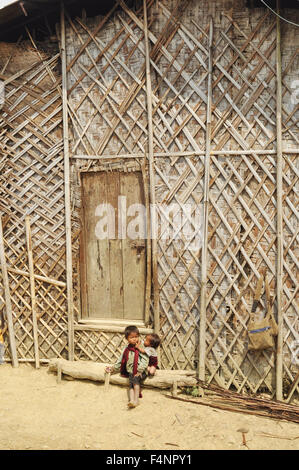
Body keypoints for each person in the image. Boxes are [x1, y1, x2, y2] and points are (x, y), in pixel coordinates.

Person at [105, 325, 149, 408]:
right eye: (132, 337)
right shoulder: (126, 348)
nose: (134, 339)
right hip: (131, 370)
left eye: (136, 336)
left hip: (141, 370)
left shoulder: (141, 347)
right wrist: (113, 368)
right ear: (127, 339)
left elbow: (145, 360)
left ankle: (136, 400)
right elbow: (121, 359)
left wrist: (140, 370)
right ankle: (131, 401)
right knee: (131, 385)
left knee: (135, 380)